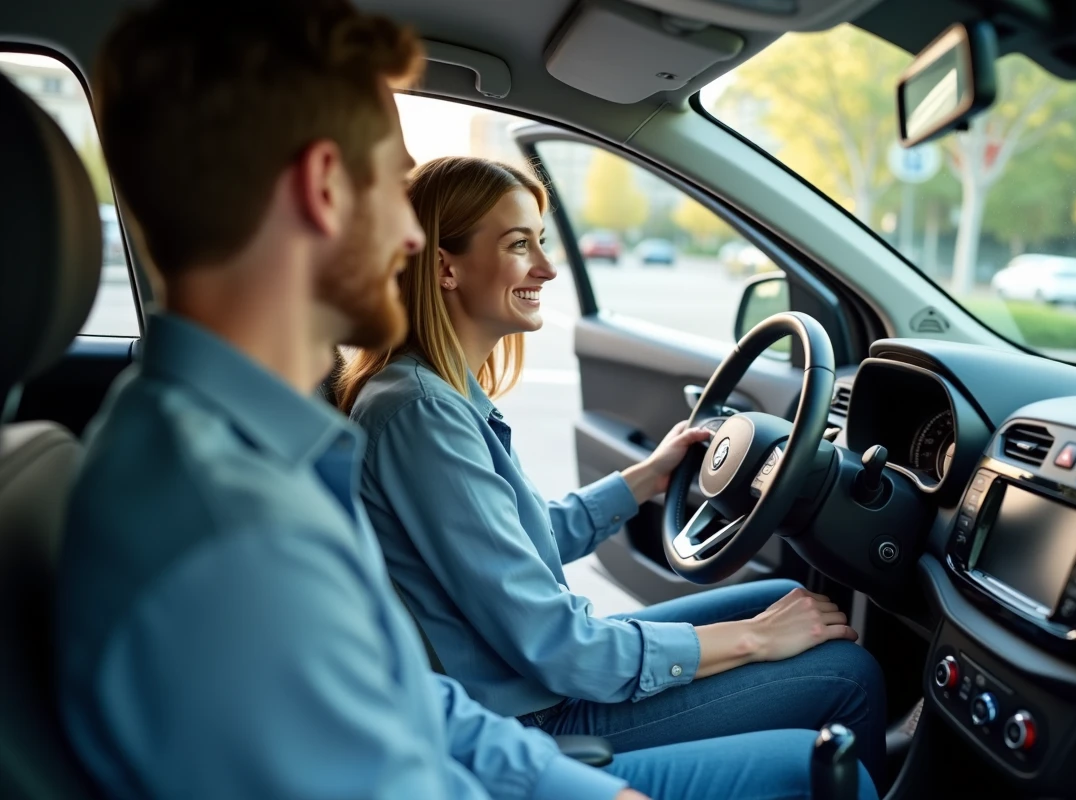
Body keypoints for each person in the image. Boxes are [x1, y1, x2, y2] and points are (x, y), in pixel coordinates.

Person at [55, 2, 878, 799]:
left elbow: (408, 696)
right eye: (391, 187)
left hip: (512, 728)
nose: (410, 238)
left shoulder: (232, 452)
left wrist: (568, 786)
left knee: (796, 624)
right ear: (324, 189)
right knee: (841, 698)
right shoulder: (231, 523)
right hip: (537, 707)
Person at [337, 155, 888, 786]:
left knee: (784, 600)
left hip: (534, 680)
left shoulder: (432, 395)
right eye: (521, 245)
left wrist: (647, 479)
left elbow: (515, 541)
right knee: (851, 677)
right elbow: (558, 644)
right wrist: (753, 642)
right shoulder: (422, 414)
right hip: (533, 719)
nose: (546, 268)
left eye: (542, 243)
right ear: (445, 266)